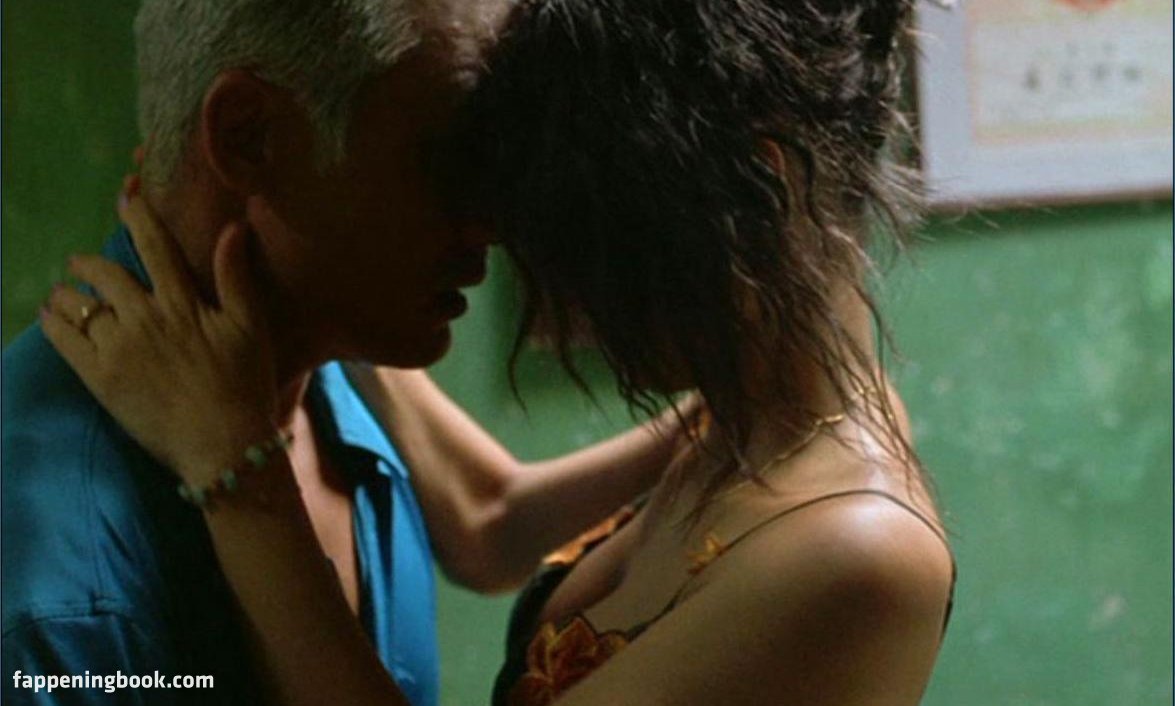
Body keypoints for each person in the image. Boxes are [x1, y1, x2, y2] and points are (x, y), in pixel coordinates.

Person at [43, 0, 956, 704]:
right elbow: (488, 523)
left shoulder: (855, 554)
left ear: (756, 189)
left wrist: (235, 467)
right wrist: (317, 288)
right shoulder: (753, 417)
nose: (546, 270)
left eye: (596, 226)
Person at [4, 1, 689, 705]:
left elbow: (488, 517)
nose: (488, 223)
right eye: (446, 161)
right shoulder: (59, 603)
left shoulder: (333, 349)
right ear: (248, 138)